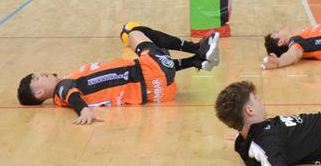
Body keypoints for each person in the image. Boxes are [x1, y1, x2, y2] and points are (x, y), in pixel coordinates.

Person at [16, 22, 221, 124]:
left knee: (155, 59)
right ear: (39, 93)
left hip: (159, 90)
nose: (41, 74)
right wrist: (84, 110)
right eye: (37, 78)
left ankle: (197, 62)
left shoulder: (68, 86)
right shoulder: (63, 88)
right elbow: (72, 94)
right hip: (148, 73)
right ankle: (197, 48)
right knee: (131, 30)